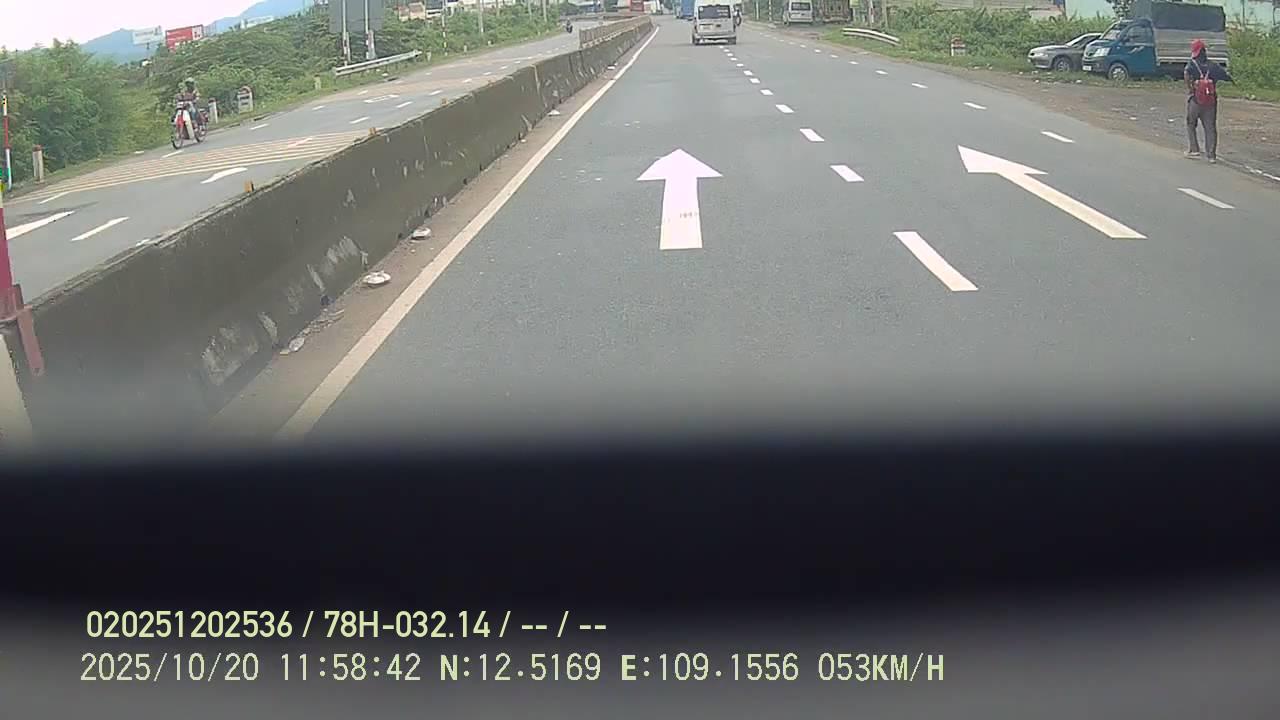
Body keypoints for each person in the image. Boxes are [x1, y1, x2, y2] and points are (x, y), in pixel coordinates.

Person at [1184, 39, 1231, 164]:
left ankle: (1194, 149)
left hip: (1195, 100)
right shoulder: (1213, 66)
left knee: (1190, 123)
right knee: (1210, 127)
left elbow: (1186, 75)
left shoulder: (1192, 64)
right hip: (1210, 101)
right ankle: (1211, 155)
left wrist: (1191, 89)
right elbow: (1225, 76)